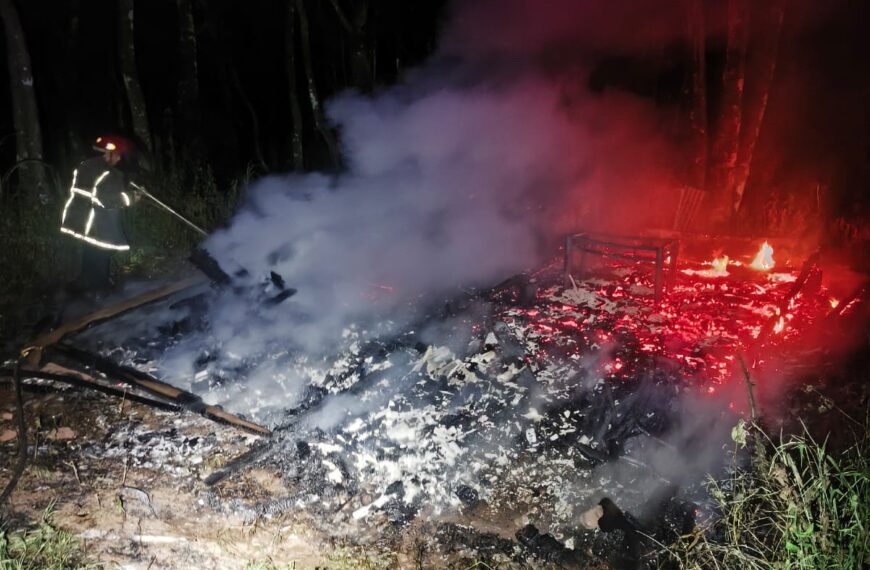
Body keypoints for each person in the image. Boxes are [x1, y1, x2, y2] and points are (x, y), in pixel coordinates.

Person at [60, 135, 139, 293]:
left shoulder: (85, 165)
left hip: (79, 219)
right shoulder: (110, 174)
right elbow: (110, 199)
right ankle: (100, 291)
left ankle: (84, 284)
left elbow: (93, 190)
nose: (118, 159)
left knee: (89, 250)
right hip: (97, 223)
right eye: (117, 155)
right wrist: (132, 197)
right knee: (102, 251)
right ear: (109, 153)